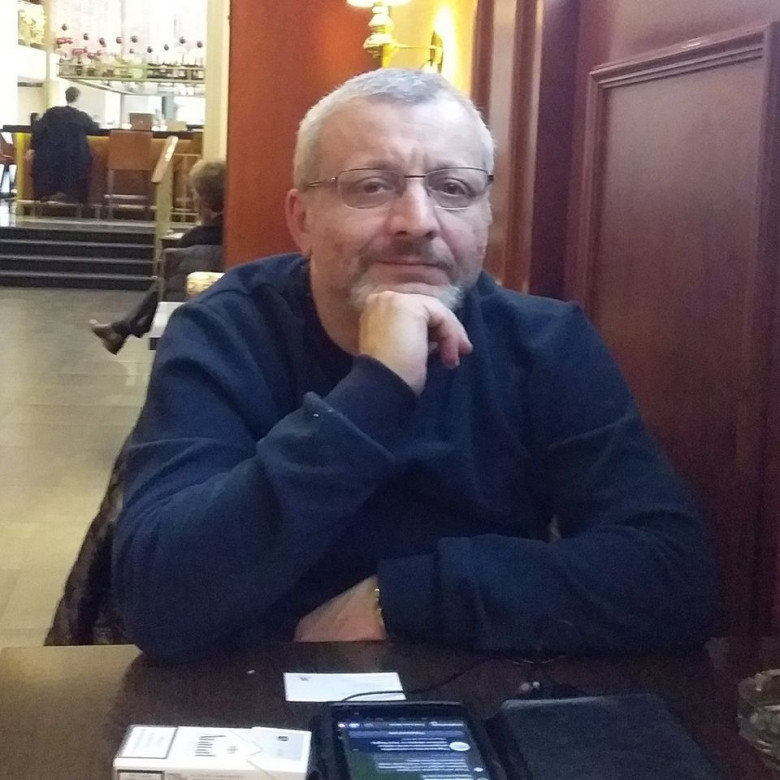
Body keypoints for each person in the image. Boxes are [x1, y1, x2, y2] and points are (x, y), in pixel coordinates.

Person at [113, 69, 716, 663]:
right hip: (252, 691)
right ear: (303, 220)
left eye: (454, 189)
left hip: (469, 689)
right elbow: (159, 600)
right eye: (372, 187)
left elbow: (672, 576)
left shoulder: (545, 343)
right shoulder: (228, 332)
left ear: (484, 218)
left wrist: (403, 598)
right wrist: (375, 391)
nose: (418, 221)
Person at [89, 159, 225, 353]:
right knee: (164, 280)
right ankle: (120, 329)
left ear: (203, 200)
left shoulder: (194, 238)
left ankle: (121, 329)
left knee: (166, 278)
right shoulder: (235, 227)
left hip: (191, 321)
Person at [29, 86, 99, 204]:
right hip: (75, 160)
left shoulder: (52, 113)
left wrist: (32, 148)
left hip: (51, 161)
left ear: (65, 97)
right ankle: (77, 200)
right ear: (78, 98)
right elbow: (94, 129)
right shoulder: (82, 116)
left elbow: (38, 130)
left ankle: (45, 198)